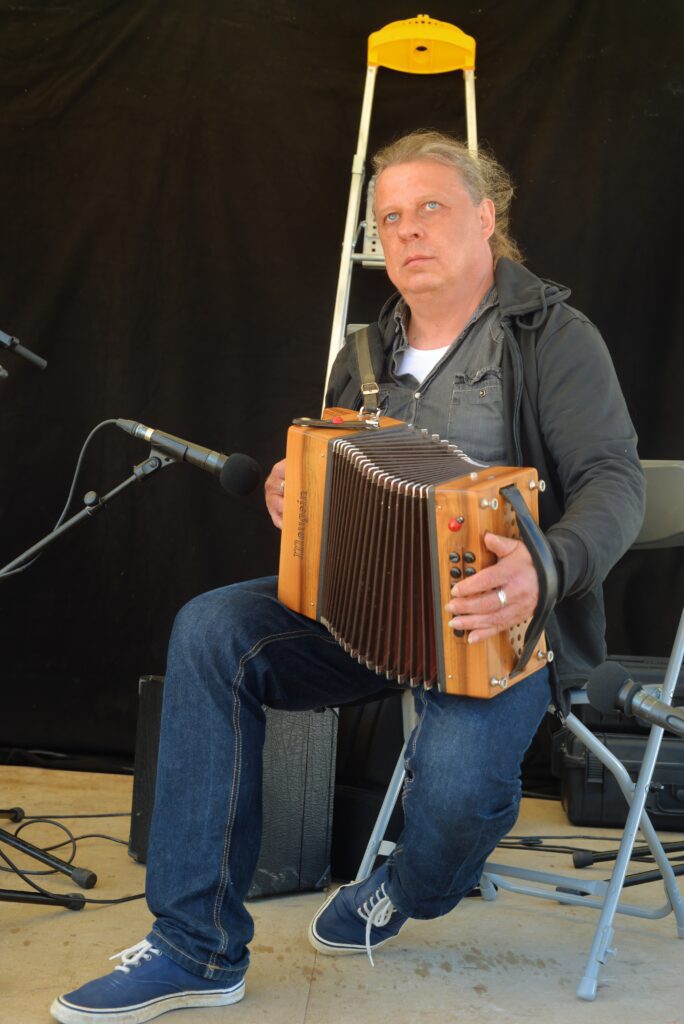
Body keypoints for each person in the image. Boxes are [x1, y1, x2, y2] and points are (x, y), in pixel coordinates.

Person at [50, 130, 644, 1023]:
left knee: (451, 796)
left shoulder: (550, 336)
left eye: (430, 208)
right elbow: (346, 472)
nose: (407, 232)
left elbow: (613, 483)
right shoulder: (364, 356)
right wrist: (300, 489)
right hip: (366, 617)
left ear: (486, 217)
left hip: (498, 627)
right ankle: (195, 947)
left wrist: (545, 566)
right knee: (213, 629)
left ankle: (407, 884)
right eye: (390, 217)